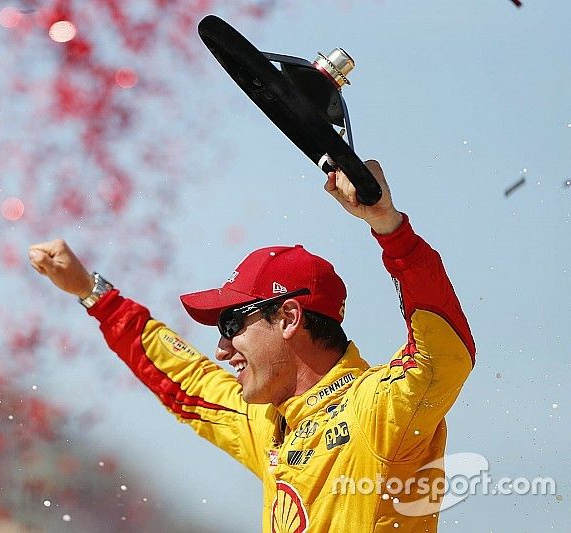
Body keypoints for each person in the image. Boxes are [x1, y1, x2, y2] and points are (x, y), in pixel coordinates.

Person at [28, 161, 475, 532]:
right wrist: (93, 293)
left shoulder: (376, 408)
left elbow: (443, 352)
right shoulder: (268, 420)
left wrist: (389, 228)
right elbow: (186, 379)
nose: (221, 348)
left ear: (288, 318)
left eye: (232, 323)